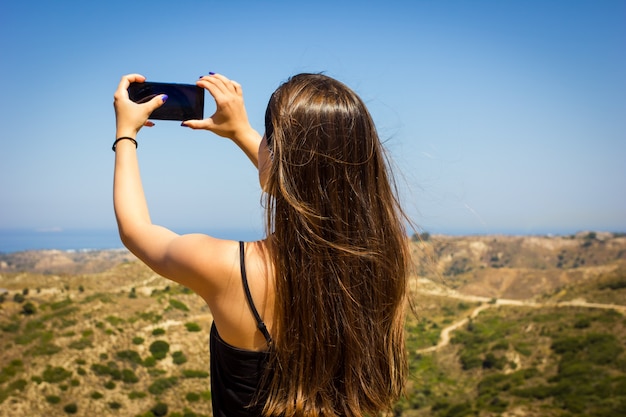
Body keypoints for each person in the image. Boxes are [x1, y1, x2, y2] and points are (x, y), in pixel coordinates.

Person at [112, 72, 411, 417]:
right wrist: (243, 132)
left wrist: (125, 134)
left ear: (278, 157)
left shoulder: (231, 267)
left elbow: (135, 230)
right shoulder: (385, 257)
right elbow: (315, 187)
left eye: (267, 139)